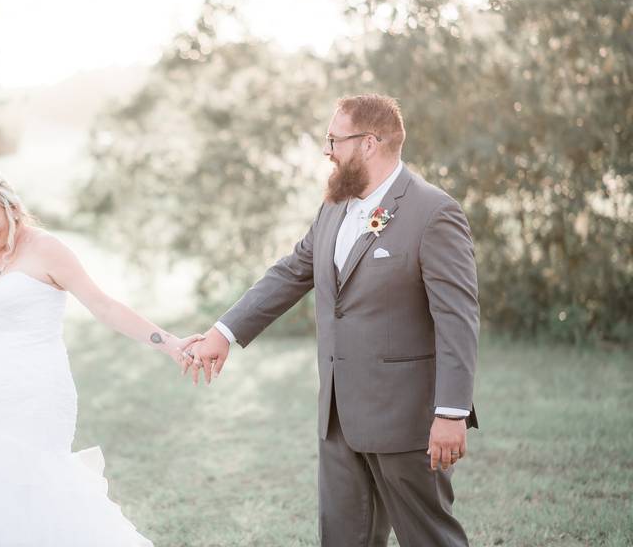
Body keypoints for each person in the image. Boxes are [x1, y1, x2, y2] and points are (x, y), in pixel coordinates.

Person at [183, 94, 479, 546]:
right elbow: (291, 272)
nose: (327, 150)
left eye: (333, 139)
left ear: (368, 144)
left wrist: (451, 413)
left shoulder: (433, 213)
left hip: (406, 423)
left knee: (429, 539)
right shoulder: (334, 208)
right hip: (338, 418)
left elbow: (457, 319)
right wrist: (224, 332)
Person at [0, 169, 200, 547]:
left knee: (37, 487)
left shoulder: (47, 249)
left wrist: (172, 344)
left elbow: (104, 306)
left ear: (11, 206)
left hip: (40, 393)